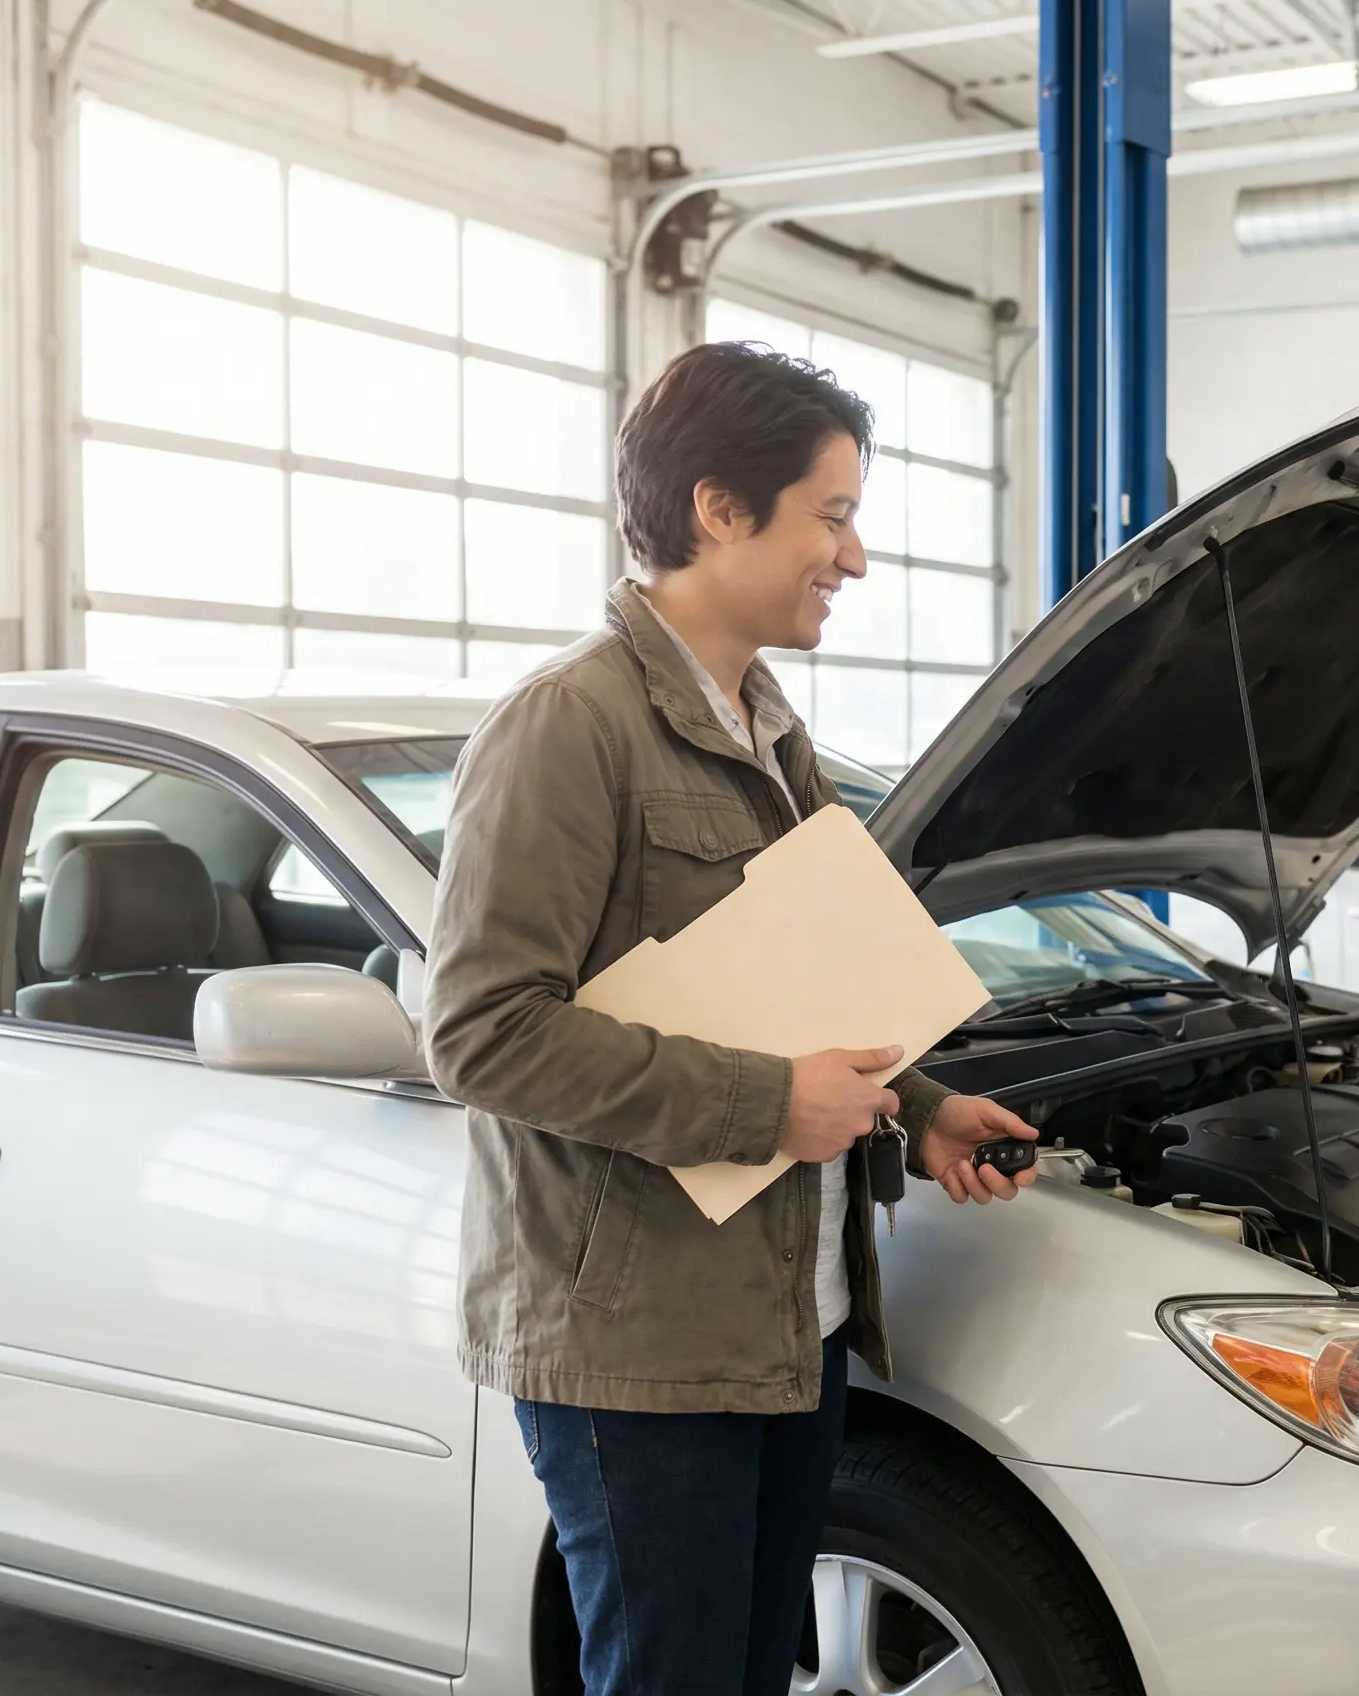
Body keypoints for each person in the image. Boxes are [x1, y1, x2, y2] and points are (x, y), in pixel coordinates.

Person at [424, 342, 1040, 1696]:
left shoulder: (769, 729)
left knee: (746, 1674)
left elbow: (808, 976)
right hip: (638, 1346)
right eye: (833, 516)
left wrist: (922, 1110)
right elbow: (478, 1031)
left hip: (786, 1324)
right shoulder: (566, 728)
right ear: (719, 508)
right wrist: (770, 1106)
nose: (857, 558)